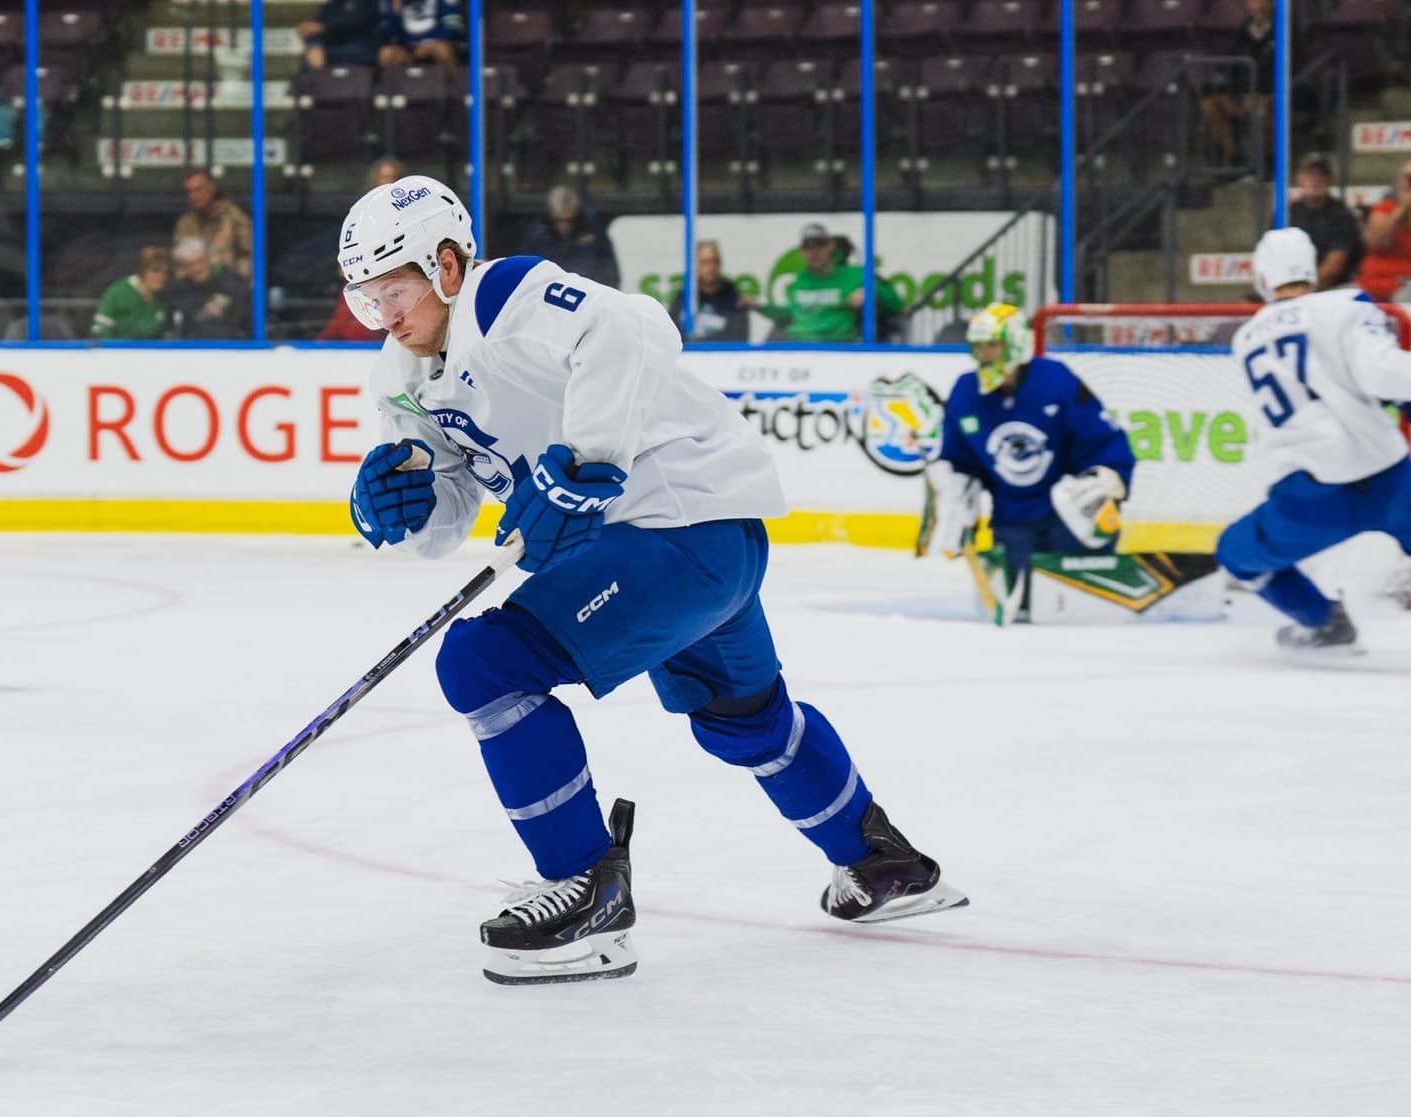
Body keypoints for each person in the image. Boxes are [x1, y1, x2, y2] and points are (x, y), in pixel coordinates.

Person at [337, 175, 966, 985]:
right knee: (743, 720)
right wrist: (394, 509)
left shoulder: (504, 294)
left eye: (396, 291)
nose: (385, 315)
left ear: (450, 265)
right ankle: (886, 866)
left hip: (677, 527)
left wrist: (588, 464)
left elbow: (634, 329)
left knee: (484, 664)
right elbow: (446, 521)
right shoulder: (400, 375)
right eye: (367, 298)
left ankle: (586, 893)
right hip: (697, 550)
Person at [1217, 227, 1411, 650]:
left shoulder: (1246, 338)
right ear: (1312, 269)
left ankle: (1323, 621)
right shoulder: (1346, 306)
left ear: (1263, 279)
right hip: (1388, 476)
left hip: (1308, 495)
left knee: (1236, 554)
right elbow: (1383, 374)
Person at [920, 304, 1138, 604]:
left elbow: (1101, 439)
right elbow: (960, 459)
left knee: (1079, 602)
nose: (985, 353)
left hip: (1068, 513)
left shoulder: (1056, 381)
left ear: (1017, 344)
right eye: (978, 346)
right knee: (1025, 603)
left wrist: (1108, 474)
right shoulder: (965, 393)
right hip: (1014, 518)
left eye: (993, 344)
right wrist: (957, 490)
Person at [750, 223, 901, 343]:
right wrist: (759, 306)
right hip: (796, 348)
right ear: (801, 251)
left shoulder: (856, 275)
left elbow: (896, 305)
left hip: (838, 348)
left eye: (819, 245)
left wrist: (872, 292)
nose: (814, 252)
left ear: (831, 246)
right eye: (808, 247)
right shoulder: (797, 283)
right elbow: (790, 314)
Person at [1199, 0, 1275, 168]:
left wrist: (1269, 95)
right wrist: (1238, 97)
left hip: (1272, 97)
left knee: (1263, 109)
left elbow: (1295, 69)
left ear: (1272, 3)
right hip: (1242, 97)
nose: (1259, 5)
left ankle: (1264, 163)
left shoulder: (1286, 32)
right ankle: (1233, 156)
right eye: (1254, 0)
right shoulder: (1240, 33)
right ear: (1247, 4)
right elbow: (1230, 71)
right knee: (1210, 105)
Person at [518, 184, 620, 288]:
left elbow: (608, 267)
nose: (564, 226)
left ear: (575, 213)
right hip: (549, 293)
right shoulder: (538, 235)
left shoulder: (591, 230)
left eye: (569, 221)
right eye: (558, 221)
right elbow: (528, 271)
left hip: (587, 292)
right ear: (550, 215)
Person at [1288, 157, 1364, 290]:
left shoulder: (1342, 215)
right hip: (1291, 286)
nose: (1315, 179)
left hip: (1335, 288)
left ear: (1330, 180)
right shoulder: (1288, 213)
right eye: (1309, 174)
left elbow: (1334, 266)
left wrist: (1301, 290)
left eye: (1321, 174)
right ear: (1298, 178)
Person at [174, 169, 253, 279]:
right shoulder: (185, 224)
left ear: (212, 188)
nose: (193, 196)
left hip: (229, 287)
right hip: (194, 289)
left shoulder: (235, 219)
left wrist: (230, 274)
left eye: (198, 190)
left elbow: (251, 258)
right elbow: (179, 263)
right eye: (190, 192)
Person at [163, 237, 246, 338]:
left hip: (231, 346)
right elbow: (175, 317)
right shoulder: (178, 289)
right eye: (191, 264)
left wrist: (226, 313)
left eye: (200, 261)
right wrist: (203, 312)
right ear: (183, 267)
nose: (197, 268)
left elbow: (243, 312)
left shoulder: (230, 282)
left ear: (208, 259)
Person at [667, 239, 747, 342]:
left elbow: (739, 337)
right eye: (705, 262)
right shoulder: (684, 298)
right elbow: (672, 334)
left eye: (715, 261)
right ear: (695, 265)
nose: (711, 267)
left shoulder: (732, 297)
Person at [1356, 161, 1411, 302]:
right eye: (1408, 179)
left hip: (1405, 285)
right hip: (1374, 282)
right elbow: (1376, 242)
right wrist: (1400, 212)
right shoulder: (1385, 208)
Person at [378, 0, 464, 72]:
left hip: (436, 43)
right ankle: (394, 85)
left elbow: (453, 22)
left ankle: (451, 84)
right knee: (386, 54)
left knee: (443, 51)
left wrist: (430, 43)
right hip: (408, 48)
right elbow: (390, 32)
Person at [91, 245, 171, 340]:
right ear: (142, 270)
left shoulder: (164, 297)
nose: (162, 277)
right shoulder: (119, 291)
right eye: (155, 271)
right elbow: (100, 329)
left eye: (166, 272)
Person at [299, 0, 384, 71]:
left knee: (317, 59)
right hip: (336, 48)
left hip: (363, 47)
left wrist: (325, 27)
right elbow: (316, 26)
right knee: (310, 58)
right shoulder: (331, 3)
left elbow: (355, 20)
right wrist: (314, 44)